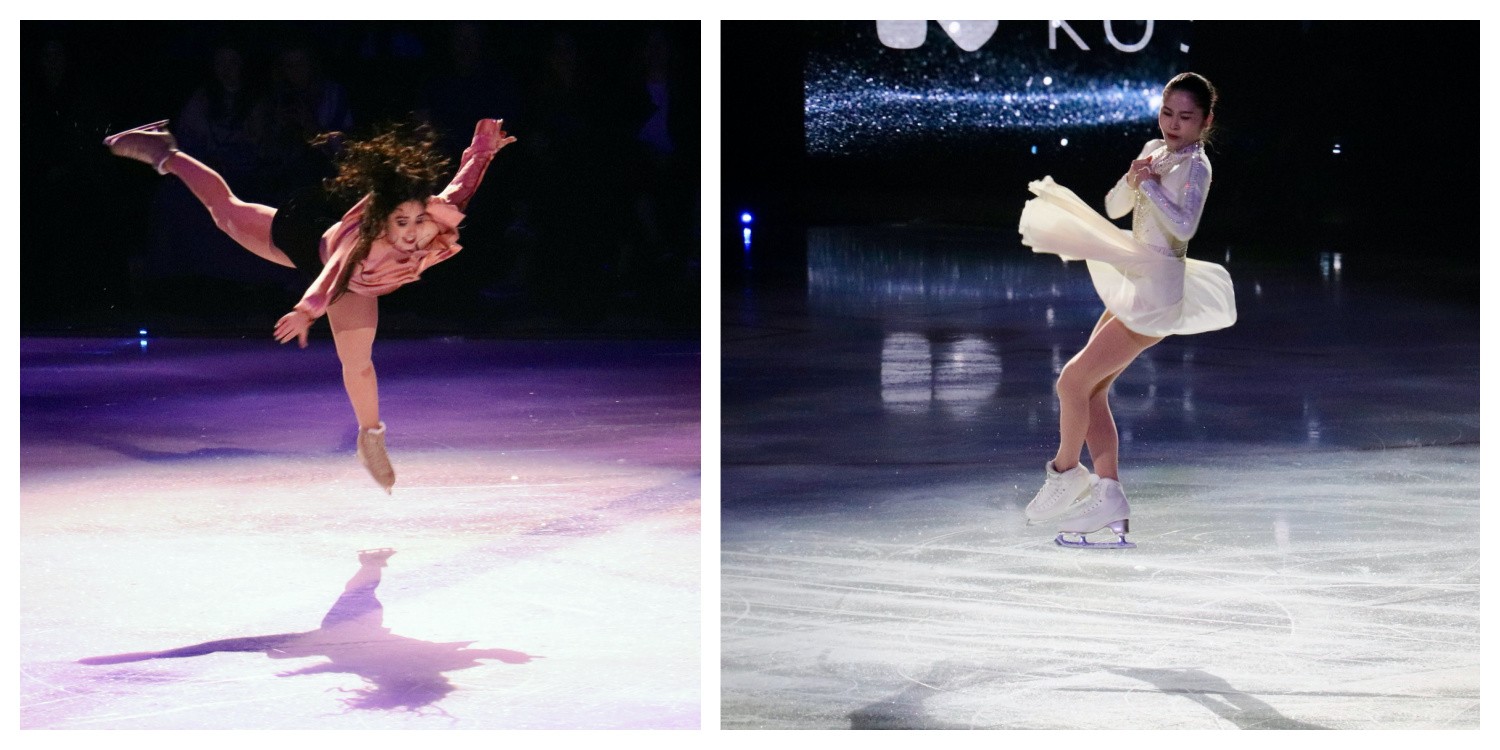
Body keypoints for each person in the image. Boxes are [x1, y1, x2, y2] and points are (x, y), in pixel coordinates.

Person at [102, 117, 517, 493]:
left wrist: (483, 148)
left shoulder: (431, 218)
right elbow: (333, 273)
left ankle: (370, 437)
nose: (411, 234)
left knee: (358, 363)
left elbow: (462, 187)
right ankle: (166, 153)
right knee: (226, 213)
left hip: (352, 269)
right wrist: (307, 309)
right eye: (401, 223)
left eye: (417, 221)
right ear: (383, 221)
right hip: (309, 238)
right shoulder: (363, 242)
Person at [1016, 72, 1236, 548]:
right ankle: (1109, 495)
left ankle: (1066, 471)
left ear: (1206, 121)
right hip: (1137, 278)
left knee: (1071, 381)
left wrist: (1153, 187)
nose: (1174, 124)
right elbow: (1116, 207)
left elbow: (1184, 225)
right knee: (1091, 391)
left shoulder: (1197, 167)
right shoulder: (1155, 148)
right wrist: (1134, 178)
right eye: (1167, 113)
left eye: (1186, 117)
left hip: (1157, 290)